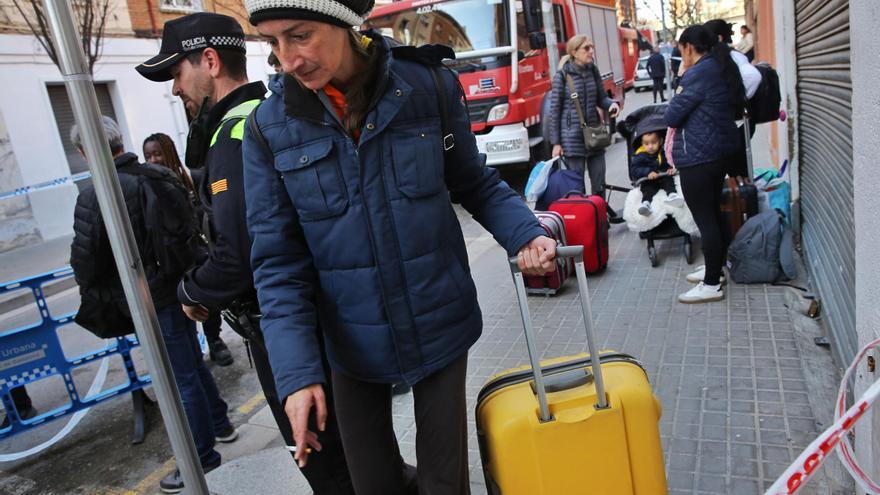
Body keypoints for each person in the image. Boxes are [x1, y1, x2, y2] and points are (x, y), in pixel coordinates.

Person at [242, 0, 557, 492]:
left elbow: (472, 182)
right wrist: (298, 375)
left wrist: (527, 232)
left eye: (299, 35)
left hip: (438, 320)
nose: (288, 60)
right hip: (349, 341)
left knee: (444, 485)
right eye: (273, 43)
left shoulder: (426, 86)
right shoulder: (267, 129)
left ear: (346, 24)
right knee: (375, 485)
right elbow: (277, 263)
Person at [135, 13, 355, 494]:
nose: (175, 89)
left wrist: (193, 291)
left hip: (286, 327)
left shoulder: (235, 134)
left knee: (329, 467)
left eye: (176, 73)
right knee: (353, 456)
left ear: (209, 61)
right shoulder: (264, 112)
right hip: (311, 317)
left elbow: (241, 253)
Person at [68, 116, 238, 493]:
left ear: (85, 152)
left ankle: (201, 456)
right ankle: (221, 424)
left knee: (181, 377)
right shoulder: (154, 176)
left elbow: (85, 262)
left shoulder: (96, 193)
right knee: (191, 363)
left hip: (149, 300)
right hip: (179, 289)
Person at [665, 25, 742, 304]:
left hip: (699, 157)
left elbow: (673, 114)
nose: (679, 53)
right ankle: (716, 271)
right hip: (715, 154)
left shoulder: (697, 73)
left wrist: (681, 81)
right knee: (714, 214)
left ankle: (711, 284)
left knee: (706, 218)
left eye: (679, 48)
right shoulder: (717, 67)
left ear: (688, 47)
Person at [142, 133, 234, 367]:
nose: (153, 160)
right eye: (148, 155)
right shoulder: (148, 187)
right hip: (173, 257)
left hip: (199, 250)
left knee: (207, 302)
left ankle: (214, 340)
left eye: (157, 153)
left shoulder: (191, 179)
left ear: (169, 153)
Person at [548, 35, 620, 196]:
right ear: (574, 52)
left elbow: (601, 98)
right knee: (576, 187)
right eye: (586, 48)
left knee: (599, 183)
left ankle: (601, 220)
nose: (591, 51)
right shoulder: (562, 75)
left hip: (594, 135)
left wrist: (612, 104)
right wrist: (556, 143)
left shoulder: (593, 70)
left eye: (591, 47)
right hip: (572, 139)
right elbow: (555, 110)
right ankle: (583, 220)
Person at [704, 19, 762, 179]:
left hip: (738, 124)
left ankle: (744, 199)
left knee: (738, 170)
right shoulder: (715, 57)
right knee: (733, 169)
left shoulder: (732, 57)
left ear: (719, 38)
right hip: (729, 125)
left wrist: (736, 100)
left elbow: (754, 76)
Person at [630, 131, 682, 216]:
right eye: (646, 144)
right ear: (642, 144)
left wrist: (670, 168)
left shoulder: (663, 151)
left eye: (653, 142)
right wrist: (647, 172)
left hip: (662, 176)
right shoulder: (640, 156)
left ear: (660, 141)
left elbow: (669, 161)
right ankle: (646, 204)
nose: (650, 146)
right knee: (647, 189)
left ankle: (673, 195)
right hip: (649, 179)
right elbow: (635, 169)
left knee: (668, 181)